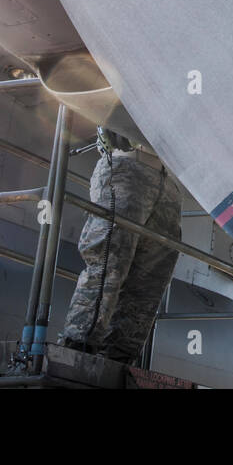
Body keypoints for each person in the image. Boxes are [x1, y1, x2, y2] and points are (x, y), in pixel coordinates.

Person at [61, 127, 182, 367]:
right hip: (127, 167)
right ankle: (77, 351)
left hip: (168, 183)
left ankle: (118, 361)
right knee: (109, 265)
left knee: (150, 281)